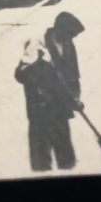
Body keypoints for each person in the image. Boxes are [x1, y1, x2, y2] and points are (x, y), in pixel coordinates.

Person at [14, 12, 86, 172]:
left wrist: (76, 98)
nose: (71, 39)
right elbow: (20, 74)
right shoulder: (38, 43)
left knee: (65, 152)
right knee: (41, 153)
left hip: (60, 104)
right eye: (69, 35)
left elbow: (74, 76)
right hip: (40, 104)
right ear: (58, 31)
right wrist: (38, 64)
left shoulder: (68, 45)